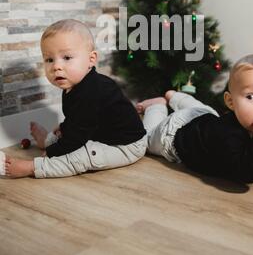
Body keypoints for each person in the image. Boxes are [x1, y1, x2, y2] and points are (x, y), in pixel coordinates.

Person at [1, 19, 146, 178]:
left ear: (91, 60)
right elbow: (79, 119)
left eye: (67, 57)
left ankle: (33, 167)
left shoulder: (93, 91)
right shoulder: (75, 85)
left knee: (81, 156)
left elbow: (77, 138)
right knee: (65, 131)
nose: (56, 66)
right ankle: (47, 140)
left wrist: (52, 153)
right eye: (49, 59)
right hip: (99, 133)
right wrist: (64, 128)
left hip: (126, 146)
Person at [136, 54, 253, 194]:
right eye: (251, 96)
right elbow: (245, 174)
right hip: (173, 135)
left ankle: (175, 96)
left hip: (204, 117)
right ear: (230, 102)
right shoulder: (227, 133)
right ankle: (156, 106)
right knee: (146, 141)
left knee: (203, 110)